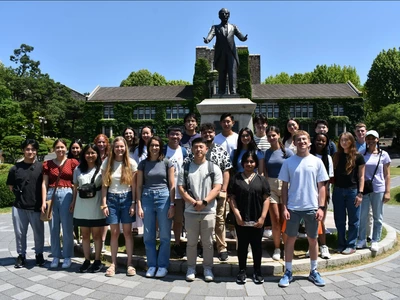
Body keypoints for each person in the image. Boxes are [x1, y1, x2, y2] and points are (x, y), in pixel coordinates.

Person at [278, 130, 329, 288]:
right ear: (294, 142)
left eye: (304, 139)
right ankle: (288, 272)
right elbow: (284, 188)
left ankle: (313, 271)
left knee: (313, 240)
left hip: (312, 207)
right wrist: (284, 207)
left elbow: (322, 187)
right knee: (290, 240)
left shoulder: (317, 162)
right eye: (298, 139)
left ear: (309, 142)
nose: (301, 142)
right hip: (293, 207)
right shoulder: (288, 162)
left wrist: (321, 207)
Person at [178, 138, 222, 282]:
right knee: (191, 242)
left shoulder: (213, 167)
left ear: (206, 149)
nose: (198, 150)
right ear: (191, 149)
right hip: (190, 211)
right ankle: (191, 267)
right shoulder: (185, 168)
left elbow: (217, 187)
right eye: (195, 147)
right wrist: (193, 202)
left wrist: (204, 202)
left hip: (208, 211)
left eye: (201, 147)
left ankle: (207, 268)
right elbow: (181, 188)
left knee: (208, 242)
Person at [229, 151, 270, 284]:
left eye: (252, 161)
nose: (249, 164)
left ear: (256, 164)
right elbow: (232, 198)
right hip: (241, 219)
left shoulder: (261, 180)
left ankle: (257, 271)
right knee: (242, 245)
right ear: (242, 163)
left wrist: (263, 217)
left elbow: (266, 199)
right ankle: (242, 271)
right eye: (246, 161)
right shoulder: (236, 178)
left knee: (257, 245)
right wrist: (237, 215)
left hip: (257, 219)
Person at [137, 136, 175, 278]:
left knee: (165, 234)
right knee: (148, 234)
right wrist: (139, 204)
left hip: (163, 197)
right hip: (147, 197)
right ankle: (152, 264)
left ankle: (163, 265)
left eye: (157, 145)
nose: (154, 148)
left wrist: (172, 204)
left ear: (160, 147)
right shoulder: (143, 164)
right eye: (152, 145)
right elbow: (139, 185)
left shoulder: (166, 162)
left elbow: (172, 185)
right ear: (148, 147)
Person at [101, 136, 137, 277]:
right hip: (112, 199)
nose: (119, 149)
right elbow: (104, 185)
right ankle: (113, 264)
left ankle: (130, 263)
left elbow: (134, 186)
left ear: (125, 148)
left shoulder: (131, 163)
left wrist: (134, 203)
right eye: (117, 146)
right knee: (114, 233)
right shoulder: (107, 163)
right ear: (113, 148)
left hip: (127, 198)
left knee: (127, 233)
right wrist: (104, 204)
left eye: (122, 146)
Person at [7, 139, 45, 268]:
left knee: (38, 233)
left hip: (36, 206)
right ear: (23, 150)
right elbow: (11, 186)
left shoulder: (42, 167)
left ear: (36, 151)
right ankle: (21, 255)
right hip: (19, 206)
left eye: (33, 149)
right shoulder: (15, 168)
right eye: (28, 149)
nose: (30, 152)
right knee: (20, 233)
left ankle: (39, 254)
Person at [197, 123, 232, 261]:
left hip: (218, 192)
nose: (207, 135)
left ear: (214, 133)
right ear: (201, 134)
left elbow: (227, 170)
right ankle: (203, 246)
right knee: (202, 220)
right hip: (201, 192)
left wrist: (224, 188)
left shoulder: (221, 150)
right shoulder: (197, 150)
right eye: (204, 132)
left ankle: (221, 247)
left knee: (219, 220)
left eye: (210, 132)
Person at [42, 139, 79, 269]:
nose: (60, 150)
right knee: (53, 228)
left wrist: (74, 201)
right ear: (54, 149)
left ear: (66, 148)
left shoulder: (72, 162)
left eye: (62, 147)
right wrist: (43, 202)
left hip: (67, 193)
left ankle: (68, 256)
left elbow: (76, 183)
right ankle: (56, 256)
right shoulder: (48, 164)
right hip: (51, 194)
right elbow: (44, 183)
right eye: (57, 147)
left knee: (67, 227)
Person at [71, 144, 106, 273]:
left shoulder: (102, 169)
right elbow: (75, 188)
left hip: (96, 204)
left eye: (93, 153)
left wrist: (104, 203)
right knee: (85, 235)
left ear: (97, 154)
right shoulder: (78, 169)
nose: (90, 155)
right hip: (81, 206)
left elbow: (104, 187)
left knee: (96, 235)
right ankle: (86, 260)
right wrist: (73, 203)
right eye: (87, 153)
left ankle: (97, 260)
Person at [357, 130, 391, 252]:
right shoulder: (362, 153)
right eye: (368, 138)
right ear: (365, 140)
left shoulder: (384, 155)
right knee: (363, 215)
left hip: (378, 188)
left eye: (373, 138)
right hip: (365, 189)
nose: (370, 141)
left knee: (378, 216)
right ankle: (361, 239)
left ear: (377, 139)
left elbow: (387, 174)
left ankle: (375, 240)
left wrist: (387, 191)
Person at [332, 132, 365, 255]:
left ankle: (351, 244)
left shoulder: (358, 157)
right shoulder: (336, 156)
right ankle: (341, 243)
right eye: (341, 140)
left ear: (351, 141)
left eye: (346, 140)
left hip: (353, 191)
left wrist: (360, 193)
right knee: (339, 219)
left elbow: (361, 177)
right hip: (338, 191)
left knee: (353, 219)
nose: (344, 142)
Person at [264, 126, 294, 261]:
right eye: (269, 136)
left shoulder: (287, 152)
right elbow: (264, 171)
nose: (271, 138)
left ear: (279, 135)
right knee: (275, 219)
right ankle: (277, 247)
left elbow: (293, 170)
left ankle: (287, 246)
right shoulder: (266, 153)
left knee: (285, 219)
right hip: (271, 186)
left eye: (273, 135)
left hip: (285, 185)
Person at [203, 8, 248, 95]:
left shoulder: (233, 27)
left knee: (232, 71)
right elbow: (210, 35)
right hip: (221, 53)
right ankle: (221, 91)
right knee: (222, 72)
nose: (225, 15)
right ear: (219, 16)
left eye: (226, 14)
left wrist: (244, 38)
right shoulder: (215, 27)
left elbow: (240, 35)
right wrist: (207, 40)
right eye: (223, 14)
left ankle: (233, 90)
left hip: (231, 53)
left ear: (229, 15)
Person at [163, 127, 188, 258]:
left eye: (177, 134)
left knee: (178, 220)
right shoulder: (162, 150)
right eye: (172, 134)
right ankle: (163, 244)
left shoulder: (184, 151)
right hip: (163, 191)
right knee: (163, 220)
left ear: (181, 136)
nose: (175, 137)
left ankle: (177, 243)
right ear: (168, 136)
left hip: (178, 192)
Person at [309, 133, 334, 259]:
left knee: (320, 220)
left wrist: (325, 193)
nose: (320, 142)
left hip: (321, 192)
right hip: (308, 192)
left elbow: (328, 178)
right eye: (318, 140)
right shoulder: (308, 155)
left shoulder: (327, 158)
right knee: (310, 221)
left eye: (323, 141)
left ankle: (323, 246)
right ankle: (312, 246)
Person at [354, 123, 373, 242]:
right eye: (358, 131)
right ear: (355, 132)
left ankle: (369, 234)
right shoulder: (353, 146)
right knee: (357, 208)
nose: (360, 133)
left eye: (362, 131)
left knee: (369, 210)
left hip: (368, 181)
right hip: (355, 181)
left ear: (366, 131)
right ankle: (356, 233)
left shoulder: (369, 145)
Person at [93, 134, 110, 253]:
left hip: (108, 188)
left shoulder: (110, 156)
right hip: (95, 189)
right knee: (95, 216)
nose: (101, 144)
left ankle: (102, 242)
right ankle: (95, 242)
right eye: (99, 142)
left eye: (103, 142)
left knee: (105, 216)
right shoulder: (92, 155)